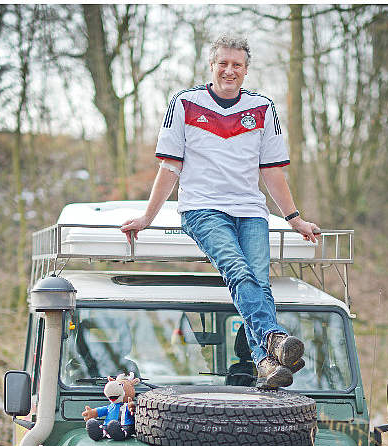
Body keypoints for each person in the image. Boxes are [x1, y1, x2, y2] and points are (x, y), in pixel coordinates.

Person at [120, 35, 320, 389]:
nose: (230, 70)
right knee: (240, 271)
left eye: (237, 65)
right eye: (223, 63)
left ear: (246, 69)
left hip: (250, 211)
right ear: (211, 65)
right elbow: (170, 167)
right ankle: (273, 338)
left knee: (260, 283)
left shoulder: (263, 107)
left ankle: (264, 362)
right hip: (203, 209)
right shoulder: (184, 103)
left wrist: (295, 219)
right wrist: (147, 217)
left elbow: (272, 171)